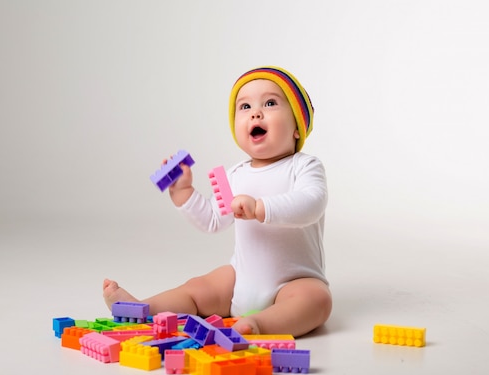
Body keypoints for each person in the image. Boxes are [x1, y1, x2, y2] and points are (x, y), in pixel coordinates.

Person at [103, 66, 331, 337]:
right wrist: (184, 193)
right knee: (198, 288)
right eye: (244, 106)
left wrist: (261, 208)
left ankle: (260, 325)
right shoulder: (234, 175)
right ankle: (144, 308)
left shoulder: (304, 166)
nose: (256, 113)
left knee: (318, 300)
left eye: (270, 103)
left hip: (294, 282)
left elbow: (312, 203)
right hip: (240, 279)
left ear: (297, 127)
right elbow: (213, 219)